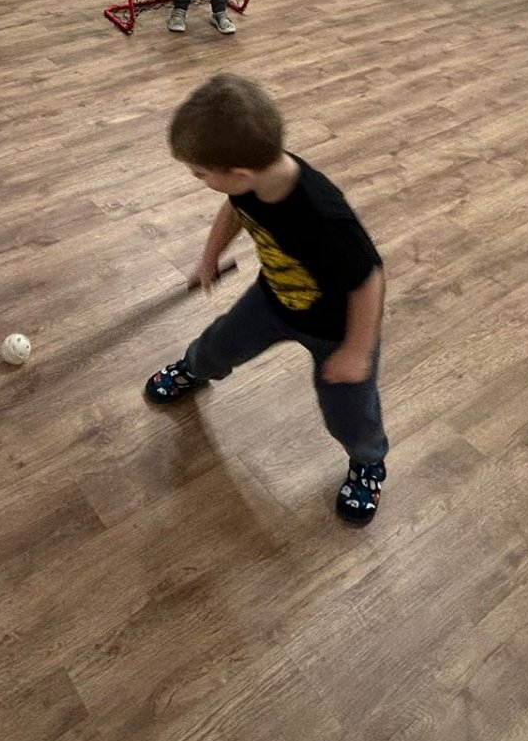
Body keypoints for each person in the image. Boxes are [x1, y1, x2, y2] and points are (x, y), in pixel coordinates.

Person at [145, 74, 390, 523]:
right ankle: (194, 370)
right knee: (218, 345)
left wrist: (356, 352)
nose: (198, 180)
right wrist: (209, 259)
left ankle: (367, 461)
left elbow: (369, 280)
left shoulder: (322, 214)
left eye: (200, 174)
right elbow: (234, 211)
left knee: (349, 412)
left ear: (238, 174)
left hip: (338, 333)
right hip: (274, 300)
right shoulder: (250, 185)